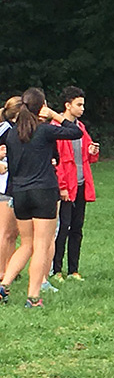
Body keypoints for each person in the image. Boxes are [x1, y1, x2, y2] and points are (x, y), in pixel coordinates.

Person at [0, 88, 83, 308]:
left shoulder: (11, 134)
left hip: (19, 193)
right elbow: (75, 133)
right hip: (43, 192)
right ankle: (34, 297)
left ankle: (3, 285)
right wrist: (56, 115)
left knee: (26, 244)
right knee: (41, 244)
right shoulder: (45, 130)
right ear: (41, 107)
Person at [52, 86, 100, 283]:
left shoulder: (80, 128)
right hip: (66, 186)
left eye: (83, 104)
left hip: (81, 184)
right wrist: (62, 186)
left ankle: (74, 270)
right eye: (78, 105)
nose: (82, 108)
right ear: (67, 105)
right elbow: (57, 161)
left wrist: (92, 150)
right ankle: (56, 270)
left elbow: (88, 157)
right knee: (62, 228)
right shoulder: (56, 128)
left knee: (77, 228)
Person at [0, 97, 21, 284]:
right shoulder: (5, 130)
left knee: (13, 232)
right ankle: (1, 271)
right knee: (5, 232)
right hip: (3, 185)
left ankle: (9, 267)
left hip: (14, 184)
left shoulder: (15, 130)